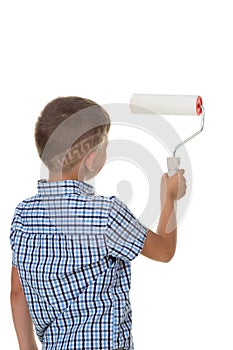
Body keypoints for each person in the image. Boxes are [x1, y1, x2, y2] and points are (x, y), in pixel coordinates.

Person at [10, 96, 186, 350]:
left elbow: (18, 292)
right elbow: (164, 250)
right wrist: (169, 197)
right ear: (92, 159)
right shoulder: (105, 214)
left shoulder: (24, 215)